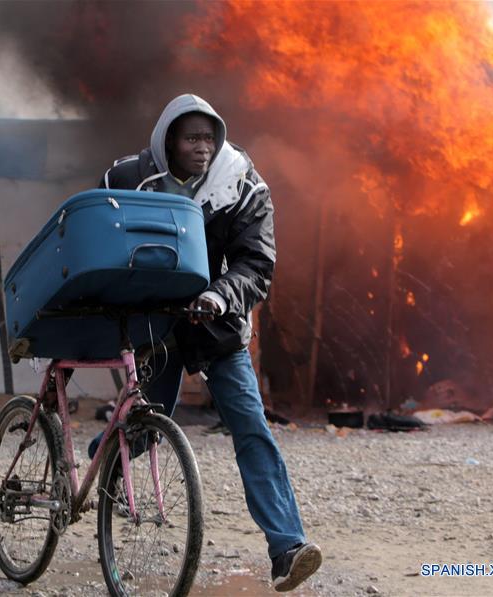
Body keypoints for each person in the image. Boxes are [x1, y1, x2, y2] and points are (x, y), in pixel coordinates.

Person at [93, 93, 322, 592]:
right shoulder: (127, 180)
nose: (203, 147)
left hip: (217, 325)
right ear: (168, 141)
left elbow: (257, 265)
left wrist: (219, 296)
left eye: (209, 138)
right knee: (145, 430)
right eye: (191, 138)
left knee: (252, 429)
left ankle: (287, 548)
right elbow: (99, 239)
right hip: (155, 328)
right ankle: (98, 462)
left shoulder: (243, 185)